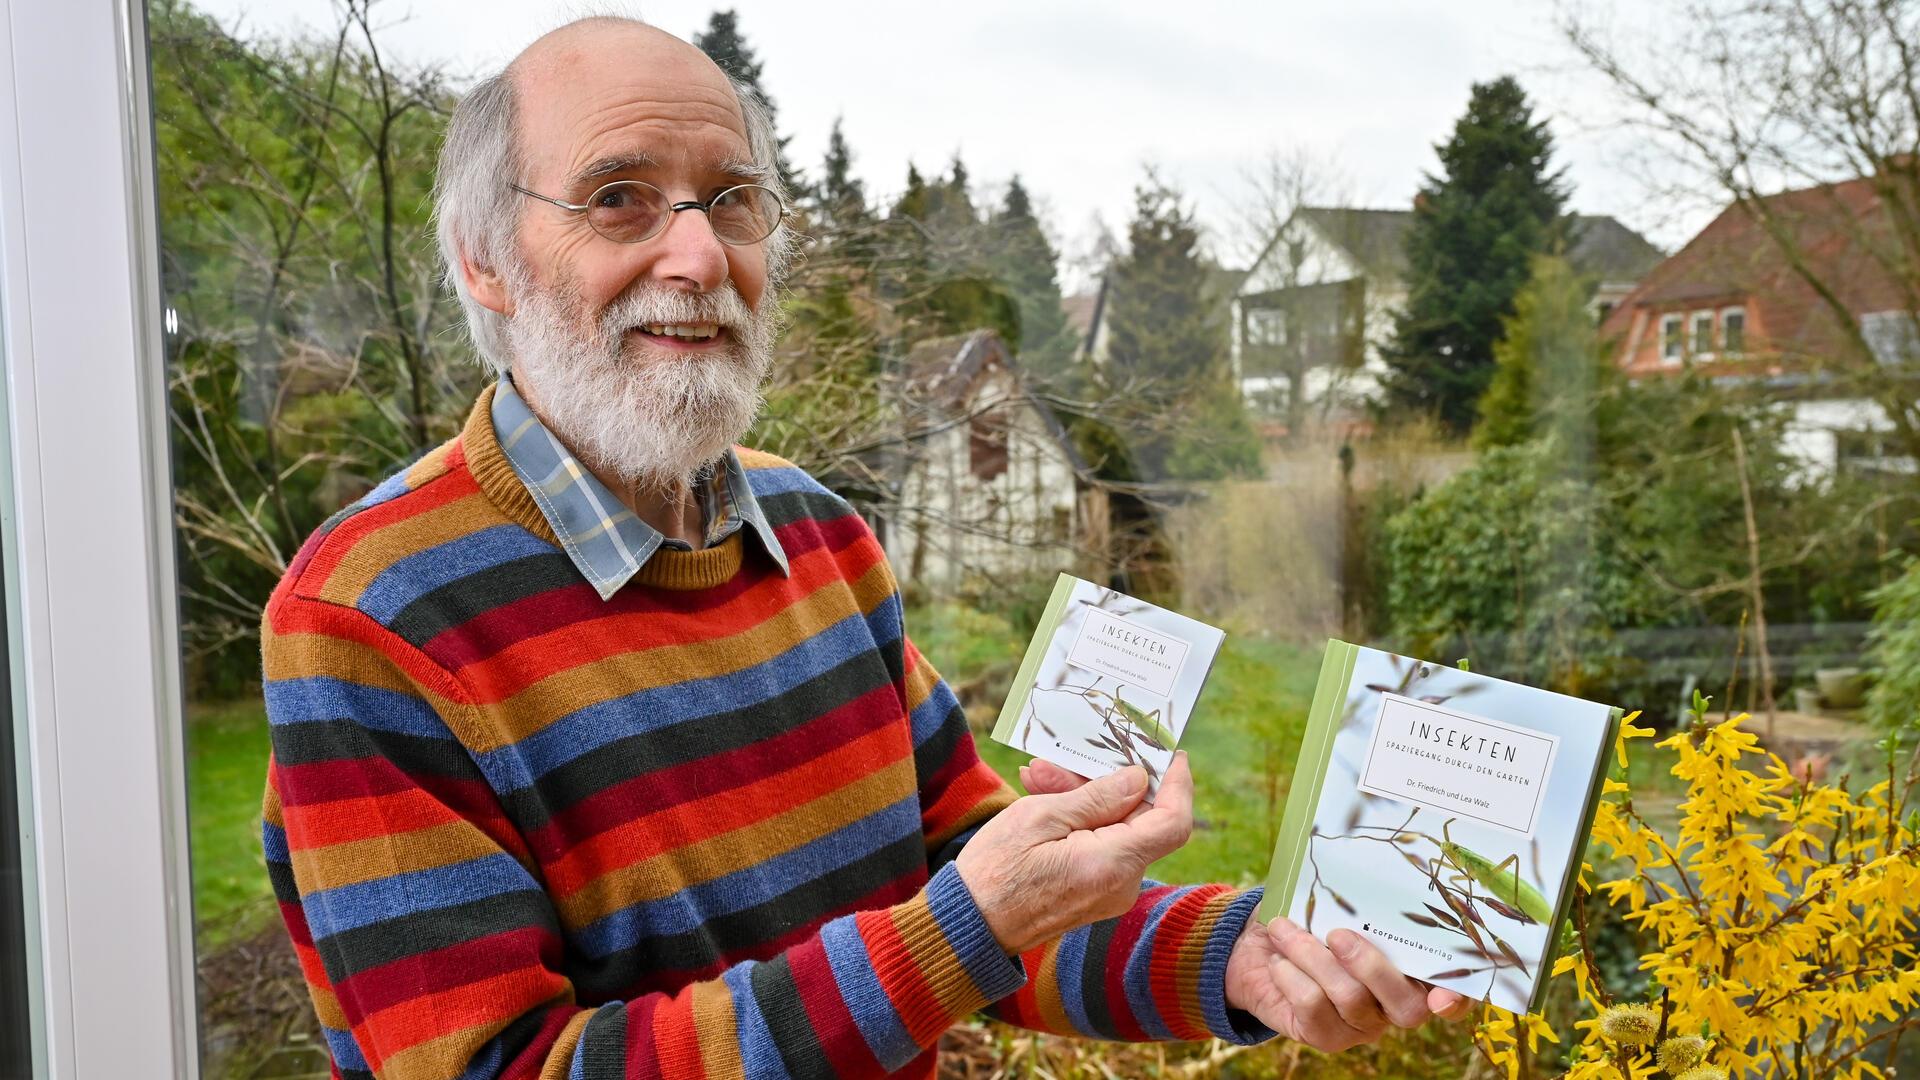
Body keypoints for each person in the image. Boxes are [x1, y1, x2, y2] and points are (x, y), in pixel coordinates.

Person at [258, 16, 1470, 1079]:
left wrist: (1244, 959)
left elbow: (970, 890)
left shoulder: (819, 537)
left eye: (732, 200)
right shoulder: (372, 618)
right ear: (487, 260)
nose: (696, 256)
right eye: (618, 196)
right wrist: (964, 930)